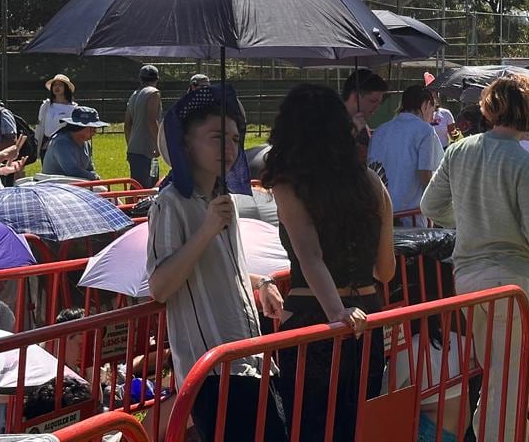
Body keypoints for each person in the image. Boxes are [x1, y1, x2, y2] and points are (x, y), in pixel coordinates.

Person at [145, 83, 288, 441]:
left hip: (250, 357)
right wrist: (207, 229)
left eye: (235, 139)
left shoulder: (222, 196)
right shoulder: (170, 204)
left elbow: (220, 266)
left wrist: (262, 283)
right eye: (216, 137)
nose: (229, 148)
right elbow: (160, 286)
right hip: (211, 370)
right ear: (186, 143)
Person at [421, 74, 529, 442]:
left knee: (494, 374)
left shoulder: (459, 150)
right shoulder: (526, 164)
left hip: (468, 278)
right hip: (510, 281)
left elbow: (430, 205)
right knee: (507, 381)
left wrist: (468, 221)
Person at [262, 84, 394, 440]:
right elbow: (386, 270)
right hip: (368, 316)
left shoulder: (289, 186)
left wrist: (337, 313)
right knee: (356, 427)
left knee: (310, 429)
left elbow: (310, 256)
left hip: (312, 322)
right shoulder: (371, 182)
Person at [367, 85, 445, 218]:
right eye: (433, 109)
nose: (432, 117)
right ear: (426, 104)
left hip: (379, 211)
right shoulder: (425, 130)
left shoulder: (380, 130)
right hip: (410, 215)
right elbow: (425, 176)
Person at [41, 107, 109, 181]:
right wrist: (94, 177)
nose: (95, 132)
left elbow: (90, 168)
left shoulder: (86, 143)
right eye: (92, 128)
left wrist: (95, 176)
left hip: (74, 184)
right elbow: (72, 171)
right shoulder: (61, 142)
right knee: (101, 190)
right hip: (55, 186)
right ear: (79, 127)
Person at [124, 65, 162, 187]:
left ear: (140, 79)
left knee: (135, 186)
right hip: (147, 149)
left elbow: (127, 124)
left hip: (134, 148)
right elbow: (151, 120)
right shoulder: (153, 93)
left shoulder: (134, 95)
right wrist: (158, 144)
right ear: (157, 79)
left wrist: (130, 144)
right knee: (146, 189)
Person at [343, 69, 389, 164]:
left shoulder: (362, 123)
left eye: (379, 103)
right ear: (355, 96)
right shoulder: (332, 120)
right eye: (372, 101)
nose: (376, 108)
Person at [35, 74, 77, 159]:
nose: (57, 87)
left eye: (60, 85)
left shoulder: (73, 108)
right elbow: (40, 125)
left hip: (64, 145)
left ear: (66, 88)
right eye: (55, 85)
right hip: (46, 146)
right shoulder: (46, 105)